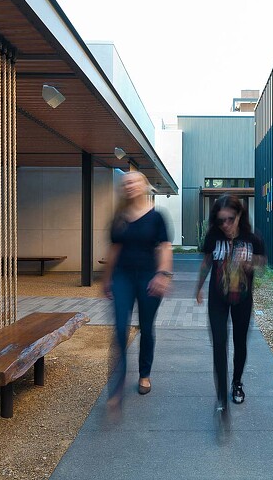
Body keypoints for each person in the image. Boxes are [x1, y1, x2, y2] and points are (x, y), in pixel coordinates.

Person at [102, 171, 173, 409]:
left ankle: (144, 373)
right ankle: (119, 383)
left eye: (134, 182)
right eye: (126, 183)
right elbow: (115, 249)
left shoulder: (157, 217)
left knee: (146, 327)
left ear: (144, 186)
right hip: (122, 277)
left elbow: (164, 247)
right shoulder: (119, 217)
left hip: (148, 278)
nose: (130, 185)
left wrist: (162, 274)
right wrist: (107, 278)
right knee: (120, 327)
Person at [195, 195, 265, 417]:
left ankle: (236, 382)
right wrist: (197, 287)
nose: (225, 224)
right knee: (219, 343)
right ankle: (221, 397)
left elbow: (262, 265)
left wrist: (251, 263)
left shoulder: (252, 239)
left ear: (240, 215)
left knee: (239, 342)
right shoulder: (213, 238)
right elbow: (207, 262)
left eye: (230, 219)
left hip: (242, 300)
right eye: (220, 220)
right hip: (217, 298)